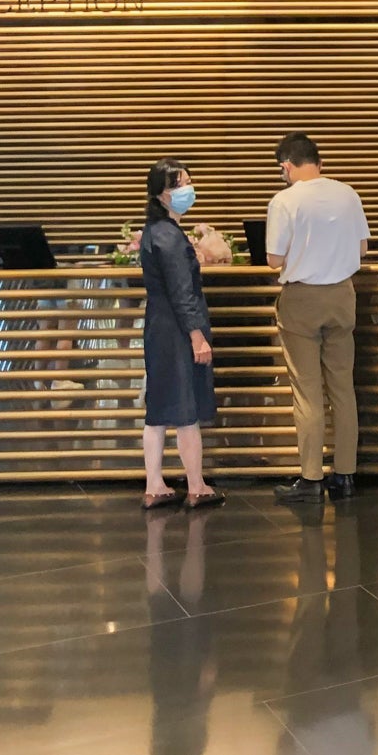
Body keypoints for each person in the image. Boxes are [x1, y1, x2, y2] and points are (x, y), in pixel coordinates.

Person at [266, 133, 370, 504]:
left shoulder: (284, 200)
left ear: (287, 166)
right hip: (343, 296)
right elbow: (362, 249)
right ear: (318, 161)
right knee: (342, 388)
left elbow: (275, 261)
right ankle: (345, 476)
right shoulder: (349, 194)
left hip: (303, 300)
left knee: (307, 392)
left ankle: (311, 479)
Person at [139, 158, 224, 510]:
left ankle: (154, 483)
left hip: (157, 325)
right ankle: (196, 484)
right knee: (186, 406)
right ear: (161, 194)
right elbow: (182, 292)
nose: (186, 190)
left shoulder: (152, 232)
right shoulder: (171, 238)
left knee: (158, 407)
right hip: (178, 329)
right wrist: (197, 336)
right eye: (178, 184)